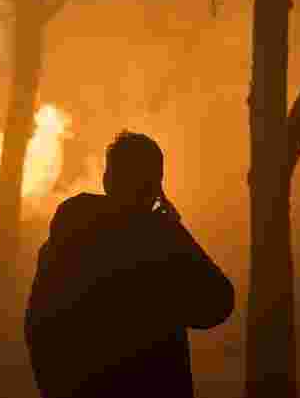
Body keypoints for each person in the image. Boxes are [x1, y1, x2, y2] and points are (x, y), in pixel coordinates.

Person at [25, 131, 234, 398]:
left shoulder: (70, 232)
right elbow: (218, 303)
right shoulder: (162, 239)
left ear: (107, 180)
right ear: (156, 187)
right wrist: (175, 230)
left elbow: (38, 325)